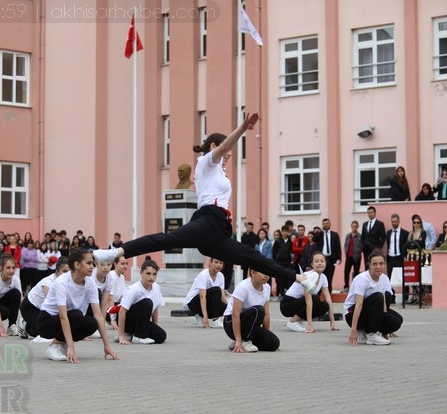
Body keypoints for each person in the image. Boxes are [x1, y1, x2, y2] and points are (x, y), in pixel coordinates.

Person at [92, 113, 317, 295]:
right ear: (213, 147)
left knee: (251, 257)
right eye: (225, 151)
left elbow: (222, 156)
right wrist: (241, 129)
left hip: (217, 229)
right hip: (208, 219)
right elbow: (222, 148)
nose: (228, 155)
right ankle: (115, 253)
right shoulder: (206, 162)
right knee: (166, 239)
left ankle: (299, 278)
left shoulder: (218, 173)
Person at [37, 248, 119, 362]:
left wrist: (107, 346)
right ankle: (54, 346)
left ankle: (62, 344)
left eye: (93, 263)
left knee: (92, 323)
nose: (93, 266)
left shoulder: (90, 283)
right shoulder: (62, 282)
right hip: (47, 321)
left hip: (70, 318)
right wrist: (72, 347)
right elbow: (63, 316)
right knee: (76, 315)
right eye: (89, 263)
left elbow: (98, 315)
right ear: (77, 264)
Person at [344, 249, 403, 346]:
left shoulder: (384, 278)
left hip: (370, 312)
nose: (378, 267)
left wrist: (386, 329)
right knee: (378, 296)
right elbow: (358, 305)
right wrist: (353, 330)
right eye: (375, 264)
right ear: (369, 265)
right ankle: (371, 334)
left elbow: (384, 303)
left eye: (381, 263)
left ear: (384, 264)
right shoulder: (362, 279)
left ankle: (370, 332)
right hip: (352, 314)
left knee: (397, 321)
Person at [280, 252, 338, 333]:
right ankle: (293, 321)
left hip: (300, 302)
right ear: (312, 264)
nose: (320, 263)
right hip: (287, 304)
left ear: (326, 263)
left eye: (322, 261)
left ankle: (299, 319)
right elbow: (308, 301)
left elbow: (329, 300)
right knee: (315, 299)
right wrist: (310, 325)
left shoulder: (323, 277)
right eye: (316, 261)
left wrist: (332, 323)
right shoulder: (310, 276)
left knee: (324, 306)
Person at [223, 268, 278, 353]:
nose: (266, 276)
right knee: (258, 310)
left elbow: (266, 315)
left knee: (273, 343)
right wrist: (238, 339)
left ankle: (241, 342)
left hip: (250, 325)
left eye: (268, 272)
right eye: (263, 272)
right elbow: (235, 314)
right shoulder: (243, 286)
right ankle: (243, 341)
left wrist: (267, 335)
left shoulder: (267, 287)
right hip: (230, 322)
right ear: (253, 272)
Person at [116, 258, 167, 345]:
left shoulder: (156, 287)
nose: (151, 277)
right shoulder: (134, 289)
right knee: (147, 302)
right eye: (148, 273)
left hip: (141, 322)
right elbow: (122, 311)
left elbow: (155, 309)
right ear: (141, 273)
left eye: (154, 274)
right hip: (128, 321)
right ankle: (137, 336)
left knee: (161, 336)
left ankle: (131, 335)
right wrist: (121, 335)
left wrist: (155, 326)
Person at [20, 256, 69, 339]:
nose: (66, 275)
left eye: (69, 272)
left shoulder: (68, 282)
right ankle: (25, 325)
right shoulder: (48, 283)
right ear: (57, 272)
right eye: (64, 271)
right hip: (30, 307)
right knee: (46, 333)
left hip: (43, 309)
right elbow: (51, 304)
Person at [183, 258, 227, 329]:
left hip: (206, 302)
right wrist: (205, 317)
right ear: (210, 262)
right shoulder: (203, 275)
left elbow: (222, 296)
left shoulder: (221, 276)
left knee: (226, 308)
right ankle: (213, 319)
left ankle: (201, 316)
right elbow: (202, 296)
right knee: (216, 290)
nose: (218, 265)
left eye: (221, 263)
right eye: (216, 262)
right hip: (193, 303)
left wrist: (230, 309)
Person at [107, 255, 129, 330]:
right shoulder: (111, 275)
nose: (125, 266)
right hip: (107, 308)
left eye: (126, 263)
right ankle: (108, 319)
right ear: (115, 264)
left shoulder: (122, 277)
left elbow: (122, 298)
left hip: (115, 306)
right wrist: (113, 320)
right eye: (122, 264)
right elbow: (110, 298)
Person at [320, 218, 341, 293]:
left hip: (331, 259)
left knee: (329, 277)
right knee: (321, 277)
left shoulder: (334, 235)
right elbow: (315, 239)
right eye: (324, 224)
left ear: (330, 224)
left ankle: (328, 294)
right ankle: (320, 294)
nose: (326, 225)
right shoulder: (320, 234)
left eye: (327, 223)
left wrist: (339, 258)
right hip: (322, 259)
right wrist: (320, 232)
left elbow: (338, 246)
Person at [272, 225, 293, 297]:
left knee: (288, 278)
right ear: (281, 232)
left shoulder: (290, 241)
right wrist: (276, 261)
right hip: (279, 263)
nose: (285, 233)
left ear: (288, 232)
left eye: (286, 231)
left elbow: (291, 250)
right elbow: (274, 252)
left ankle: (288, 293)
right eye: (283, 231)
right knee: (279, 279)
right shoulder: (278, 241)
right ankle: (281, 293)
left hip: (287, 263)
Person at [343, 221, 362, 292]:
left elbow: (361, 245)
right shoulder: (348, 235)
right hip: (349, 256)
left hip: (357, 257)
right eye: (353, 226)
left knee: (356, 272)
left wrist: (358, 250)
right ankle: (346, 286)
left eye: (355, 226)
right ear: (351, 227)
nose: (354, 228)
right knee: (346, 271)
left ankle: (355, 286)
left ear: (357, 227)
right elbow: (345, 244)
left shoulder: (360, 236)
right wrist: (346, 251)